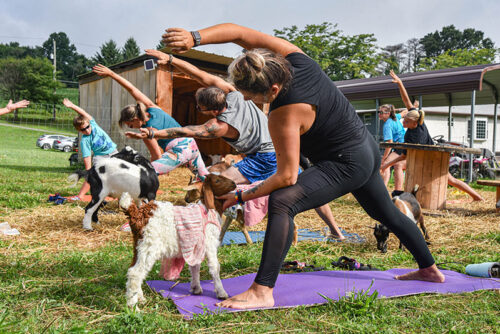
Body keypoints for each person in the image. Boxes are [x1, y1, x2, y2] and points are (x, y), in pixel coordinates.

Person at [162, 23, 445, 310]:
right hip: (365, 148)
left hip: (345, 162)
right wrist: (194, 38)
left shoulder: (283, 114)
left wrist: (239, 196)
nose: (247, 100)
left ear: (272, 89)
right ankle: (429, 270)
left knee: (283, 202)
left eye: (251, 96)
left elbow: (285, 177)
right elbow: (239, 33)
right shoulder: (297, 59)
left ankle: (262, 290)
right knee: (384, 212)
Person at [126, 49, 345, 240]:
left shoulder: (219, 126)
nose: (199, 111)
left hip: (263, 158)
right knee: (306, 184)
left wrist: (155, 132)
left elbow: (186, 131)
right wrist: (172, 60)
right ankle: (336, 231)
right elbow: (202, 75)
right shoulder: (234, 94)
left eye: (200, 108)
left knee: (212, 186)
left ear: (211, 111)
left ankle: (206, 230)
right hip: (280, 150)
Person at [380, 70, 483, 201]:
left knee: (400, 165)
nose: (403, 122)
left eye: (406, 121)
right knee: (451, 180)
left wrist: (386, 165)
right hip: (427, 158)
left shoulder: (415, 136)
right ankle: (477, 197)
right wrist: (400, 83)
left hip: (429, 160)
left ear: (413, 122)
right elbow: (406, 100)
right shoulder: (419, 121)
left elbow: (404, 156)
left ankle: (399, 193)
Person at [92, 64, 208, 178]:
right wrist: (111, 74)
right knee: (205, 177)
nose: (133, 128)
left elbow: (156, 155)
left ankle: (139, 195)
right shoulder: (153, 108)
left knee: (144, 174)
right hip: (191, 144)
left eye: (131, 125)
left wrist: (160, 168)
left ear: (135, 118)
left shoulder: (148, 130)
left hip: (180, 150)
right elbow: (132, 89)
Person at [64, 98, 118, 201]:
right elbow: (87, 156)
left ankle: (116, 194)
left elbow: (83, 113)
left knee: (119, 172)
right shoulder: (85, 141)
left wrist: (72, 106)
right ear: (79, 130)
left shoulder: (93, 124)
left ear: (89, 123)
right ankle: (80, 196)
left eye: (87, 127)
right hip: (100, 157)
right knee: (92, 175)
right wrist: (88, 170)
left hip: (114, 152)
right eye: (83, 130)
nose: (87, 130)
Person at [379, 104, 407, 191]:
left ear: (388, 114)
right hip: (405, 145)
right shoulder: (395, 118)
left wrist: (384, 158)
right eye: (378, 112)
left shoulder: (387, 125)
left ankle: (383, 189)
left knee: (385, 165)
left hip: (400, 147)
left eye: (381, 112)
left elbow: (389, 144)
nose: (379, 114)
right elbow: (405, 112)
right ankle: (396, 189)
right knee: (397, 166)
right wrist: (414, 105)